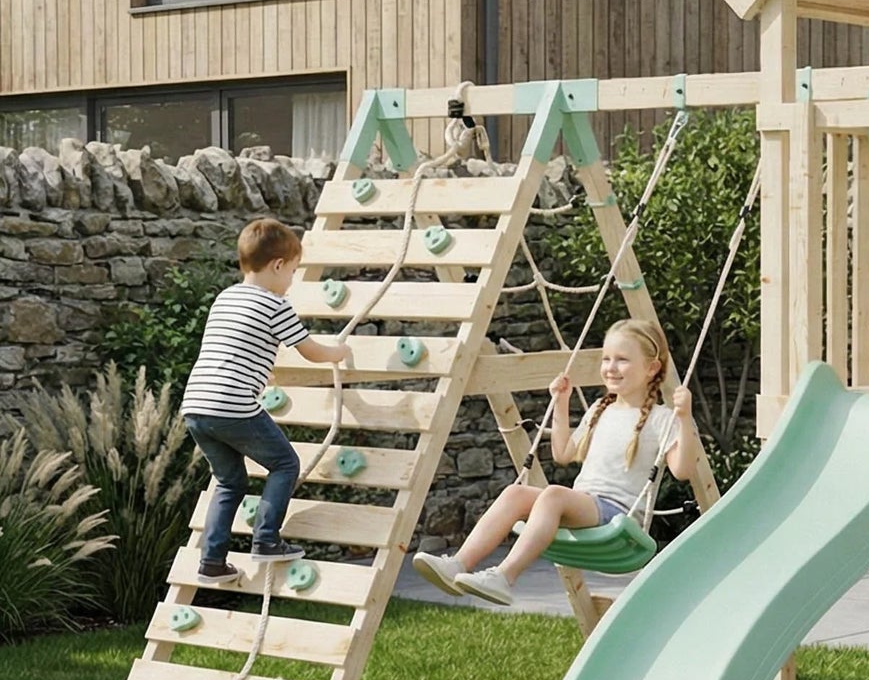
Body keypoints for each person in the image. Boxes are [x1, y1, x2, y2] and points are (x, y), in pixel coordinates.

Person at [414, 318, 697, 606]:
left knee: (553, 495)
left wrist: (684, 418)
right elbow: (563, 454)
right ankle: (458, 564)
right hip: (584, 503)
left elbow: (682, 470)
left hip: (617, 513)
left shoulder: (662, 419)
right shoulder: (602, 409)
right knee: (515, 492)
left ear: (651, 368)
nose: (611, 367)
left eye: (622, 360)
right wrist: (561, 403)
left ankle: (504, 576)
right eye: (606, 358)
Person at [181, 217, 349, 586]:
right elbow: (310, 351)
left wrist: (261, 372)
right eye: (292, 271)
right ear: (277, 266)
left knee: (229, 482)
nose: (291, 280)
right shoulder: (275, 305)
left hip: (196, 405)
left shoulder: (226, 298)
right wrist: (338, 352)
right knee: (285, 463)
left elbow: (235, 348)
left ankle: (211, 562)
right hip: (233, 406)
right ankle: (267, 539)